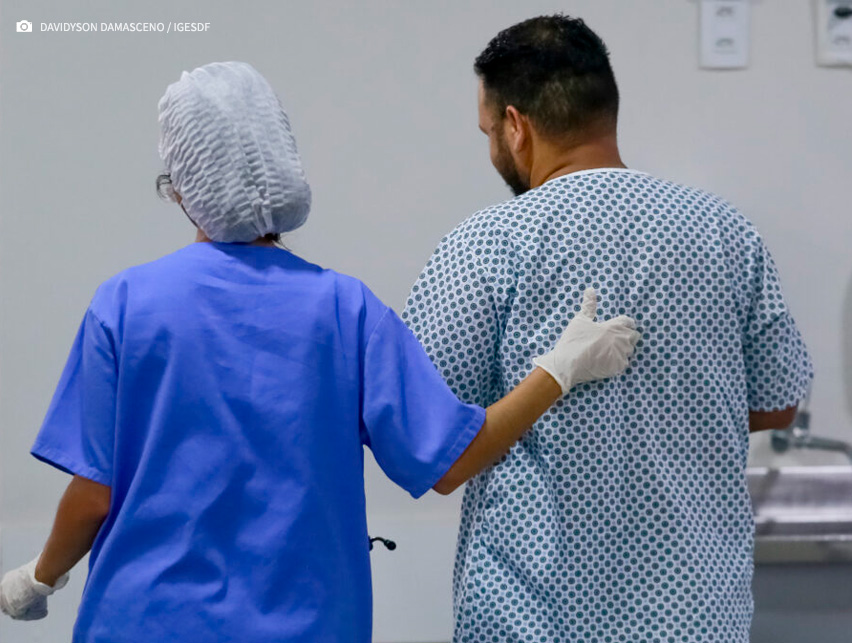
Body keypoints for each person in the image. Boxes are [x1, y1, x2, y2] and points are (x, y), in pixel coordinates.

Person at [0, 62, 640, 642]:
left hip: (144, 624)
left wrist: (41, 578)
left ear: (179, 184)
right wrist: (557, 371)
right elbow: (450, 462)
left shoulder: (127, 304)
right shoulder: (346, 310)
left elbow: (94, 496)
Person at [402, 15, 813, 643]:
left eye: (489, 132)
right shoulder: (726, 233)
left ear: (517, 127)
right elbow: (779, 405)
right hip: (694, 614)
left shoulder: (485, 246)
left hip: (536, 617)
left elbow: (436, 449)